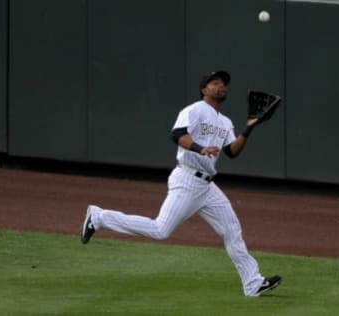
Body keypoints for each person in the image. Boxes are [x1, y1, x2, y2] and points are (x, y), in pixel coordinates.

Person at [81, 70, 282, 297]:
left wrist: (250, 126)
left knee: (232, 229)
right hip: (187, 178)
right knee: (160, 230)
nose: (221, 86)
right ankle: (99, 217)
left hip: (207, 186)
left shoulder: (225, 121)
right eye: (215, 82)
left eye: (223, 83)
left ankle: (253, 283)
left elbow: (232, 151)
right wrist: (199, 148)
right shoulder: (194, 110)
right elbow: (177, 134)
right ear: (204, 89)